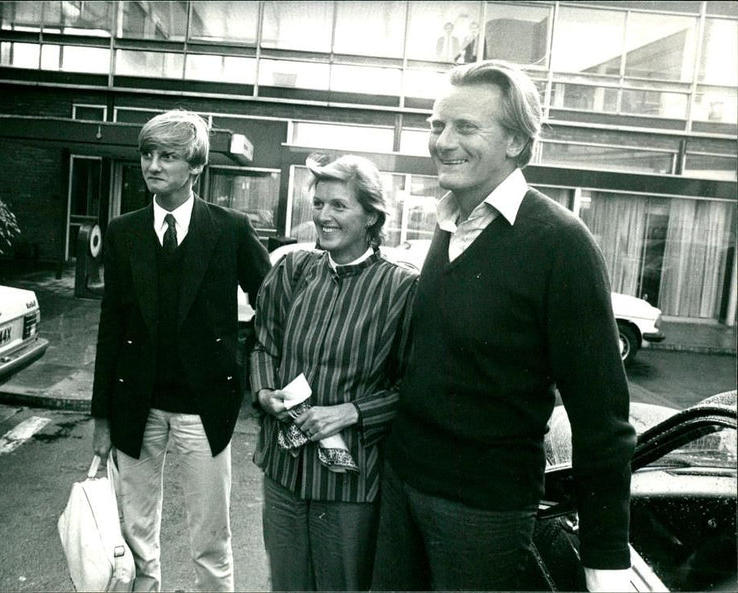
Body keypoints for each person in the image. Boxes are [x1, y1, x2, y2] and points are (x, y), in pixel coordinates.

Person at [371, 60, 637, 592]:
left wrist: (605, 559)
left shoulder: (560, 243)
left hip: (482, 515)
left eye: (466, 127)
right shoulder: (450, 225)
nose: (443, 141)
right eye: (437, 125)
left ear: (516, 142)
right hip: (403, 489)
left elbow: (602, 415)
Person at [91, 109, 270, 592]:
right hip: (136, 404)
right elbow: (111, 326)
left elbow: (271, 301)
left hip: (203, 407)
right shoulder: (124, 231)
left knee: (211, 539)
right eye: (147, 154)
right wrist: (101, 417)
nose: (153, 165)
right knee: (133, 538)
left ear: (195, 166)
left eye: (167, 156)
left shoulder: (230, 228)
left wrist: (250, 365)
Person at [250, 154, 417, 591]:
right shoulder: (294, 269)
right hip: (284, 471)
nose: (323, 215)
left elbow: (416, 386)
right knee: (286, 585)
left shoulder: (400, 289)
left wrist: (352, 411)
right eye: (319, 203)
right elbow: (265, 341)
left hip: (349, 484)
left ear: (371, 215)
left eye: (338, 206)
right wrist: (265, 390)